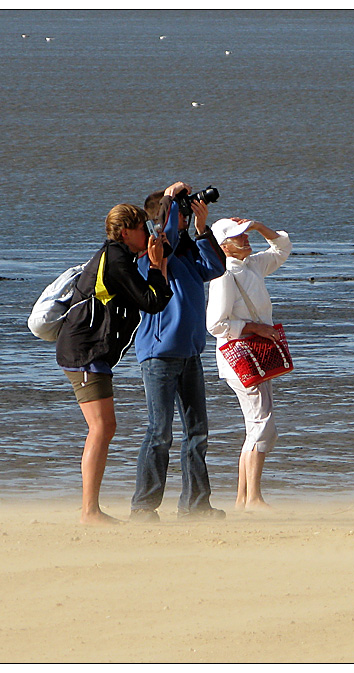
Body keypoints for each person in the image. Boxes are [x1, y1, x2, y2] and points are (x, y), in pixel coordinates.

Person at [56, 204, 172, 525]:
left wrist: (157, 253)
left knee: (105, 427)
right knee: (102, 427)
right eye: (142, 228)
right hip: (84, 351)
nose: (147, 233)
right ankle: (89, 512)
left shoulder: (120, 256)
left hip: (90, 350)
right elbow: (151, 301)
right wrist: (155, 265)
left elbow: (153, 294)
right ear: (125, 233)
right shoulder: (118, 260)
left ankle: (90, 509)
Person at [129, 182, 227, 521]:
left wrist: (202, 229)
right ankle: (143, 507)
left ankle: (195, 505)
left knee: (197, 433)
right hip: (159, 354)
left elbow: (215, 268)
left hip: (189, 353)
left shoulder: (184, 255)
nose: (183, 217)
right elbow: (165, 228)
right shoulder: (154, 252)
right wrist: (170, 197)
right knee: (160, 433)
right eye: (181, 213)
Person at [205, 217, 292, 509]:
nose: (245, 240)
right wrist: (255, 328)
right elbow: (215, 324)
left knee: (255, 424)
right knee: (263, 424)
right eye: (238, 237)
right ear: (223, 246)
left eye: (245, 236)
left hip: (254, 357)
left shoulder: (251, 265)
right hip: (239, 358)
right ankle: (253, 498)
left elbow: (282, 248)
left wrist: (258, 226)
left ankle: (244, 498)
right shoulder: (224, 276)